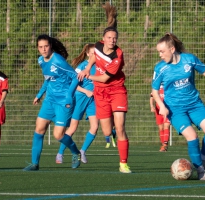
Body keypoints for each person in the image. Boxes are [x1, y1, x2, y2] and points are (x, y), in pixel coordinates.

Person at [151, 33, 205, 181]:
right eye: (159, 52)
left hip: (195, 104)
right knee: (192, 137)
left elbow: (203, 69)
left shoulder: (189, 59)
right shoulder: (160, 68)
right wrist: (161, 106)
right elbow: (155, 92)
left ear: (172, 49)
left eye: (162, 51)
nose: (160, 55)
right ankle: (200, 170)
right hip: (175, 109)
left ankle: (202, 159)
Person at [77, 2, 131, 173]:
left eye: (115, 38)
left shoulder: (118, 56)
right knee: (107, 130)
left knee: (120, 126)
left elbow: (105, 78)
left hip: (116, 90)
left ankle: (123, 163)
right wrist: (87, 67)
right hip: (100, 94)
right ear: (104, 39)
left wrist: (89, 75)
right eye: (109, 38)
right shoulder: (98, 46)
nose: (112, 40)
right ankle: (112, 131)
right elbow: (94, 57)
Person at [23, 34, 81, 171]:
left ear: (51, 46)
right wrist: (39, 94)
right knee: (39, 129)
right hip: (50, 100)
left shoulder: (58, 60)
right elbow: (48, 79)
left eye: (46, 46)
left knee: (58, 135)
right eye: (40, 47)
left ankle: (76, 152)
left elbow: (75, 77)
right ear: (38, 48)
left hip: (63, 102)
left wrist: (69, 95)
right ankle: (34, 163)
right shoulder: (41, 61)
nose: (43, 49)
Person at [55, 43, 99, 164]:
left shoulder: (99, 67)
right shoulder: (83, 66)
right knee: (73, 127)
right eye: (93, 52)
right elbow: (72, 84)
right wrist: (86, 91)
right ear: (88, 53)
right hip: (80, 98)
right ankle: (60, 153)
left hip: (93, 100)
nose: (96, 54)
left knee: (95, 127)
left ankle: (83, 151)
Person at [149, 85, 171, 152]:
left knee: (166, 126)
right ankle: (163, 145)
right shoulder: (157, 86)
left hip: (167, 109)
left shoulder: (169, 86)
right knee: (161, 128)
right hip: (158, 110)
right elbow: (152, 97)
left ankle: (165, 144)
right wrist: (152, 106)